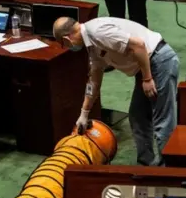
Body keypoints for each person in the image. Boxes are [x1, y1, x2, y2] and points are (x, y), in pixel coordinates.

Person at [53, 16, 179, 166]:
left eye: (63, 44)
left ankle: (170, 170)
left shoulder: (98, 32)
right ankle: (147, 164)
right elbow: (94, 80)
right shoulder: (92, 44)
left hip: (159, 61)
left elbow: (139, 45)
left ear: (67, 39)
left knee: (163, 122)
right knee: (138, 115)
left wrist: (147, 79)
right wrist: (84, 114)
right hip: (145, 65)